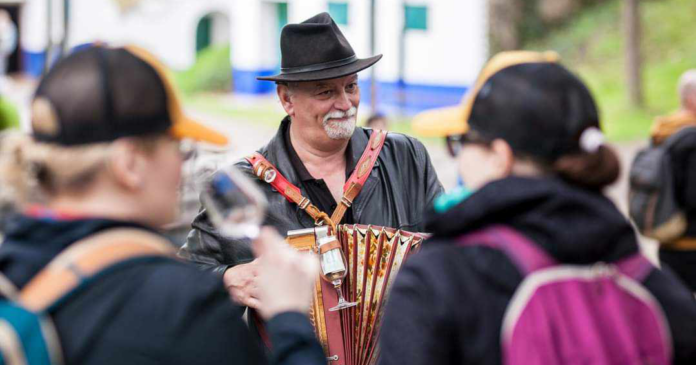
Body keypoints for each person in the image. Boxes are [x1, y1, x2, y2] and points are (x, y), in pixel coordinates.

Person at [0, 45, 325, 365]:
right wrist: (289, 317)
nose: (181, 168)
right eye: (179, 148)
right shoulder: (184, 307)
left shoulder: (11, 263)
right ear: (130, 164)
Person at [378, 52, 696, 364]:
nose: (458, 157)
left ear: (500, 157)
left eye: (460, 141)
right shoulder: (651, 285)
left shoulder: (437, 282)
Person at [180, 12, 443, 314]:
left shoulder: (406, 156)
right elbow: (182, 277)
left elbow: (453, 247)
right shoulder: (244, 183)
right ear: (287, 99)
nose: (345, 104)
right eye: (326, 92)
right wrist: (225, 279)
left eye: (351, 87)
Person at [647, 69, 696, 291]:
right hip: (691, 245)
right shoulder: (691, 138)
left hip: (668, 239)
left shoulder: (661, 131)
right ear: (691, 98)